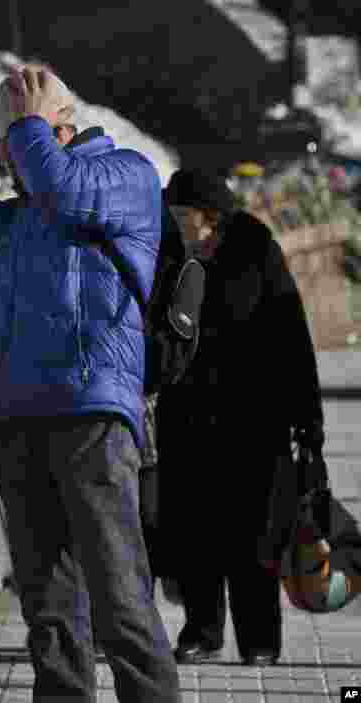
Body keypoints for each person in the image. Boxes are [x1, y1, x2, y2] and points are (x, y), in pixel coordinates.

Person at [0, 64, 181, 703]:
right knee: (50, 611)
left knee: (119, 598)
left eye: (15, 146)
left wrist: (27, 126)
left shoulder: (127, 176)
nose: (11, 163)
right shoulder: (21, 215)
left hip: (92, 414)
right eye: (4, 152)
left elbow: (66, 193)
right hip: (18, 418)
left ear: (58, 128)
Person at [154, 168, 325, 666]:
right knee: (194, 530)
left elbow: (291, 334)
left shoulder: (255, 248)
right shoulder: (168, 252)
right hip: (186, 414)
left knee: (255, 535)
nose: (175, 221)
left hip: (254, 416)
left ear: (209, 215)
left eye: (182, 214)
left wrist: (308, 420)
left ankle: (260, 640)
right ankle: (201, 632)